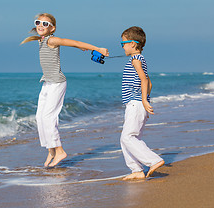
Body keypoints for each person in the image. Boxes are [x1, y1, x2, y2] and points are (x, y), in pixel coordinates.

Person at [21, 13, 109, 167]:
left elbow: (73, 42)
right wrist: (82, 48)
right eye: (38, 22)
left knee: (48, 117)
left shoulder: (52, 40)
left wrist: (97, 49)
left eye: (45, 24)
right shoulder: (40, 41)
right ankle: (51, 150)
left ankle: (60, 151)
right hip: (47, 83)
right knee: (39, 117)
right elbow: (76, 46)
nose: (41, 25)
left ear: (52, 28)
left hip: (57, 84)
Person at [119, 26, 164, 180]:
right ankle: (136, 170)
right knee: (130, 138)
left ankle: (154, 160)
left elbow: (144, 80)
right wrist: (145, 103)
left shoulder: (136, 60)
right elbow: (149, 83)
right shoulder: (141, 60)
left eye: (123, 43)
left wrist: (144, 101)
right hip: (136, 104)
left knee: (127, 137)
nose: (122, 46)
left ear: (133, 44)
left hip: (135, 103)